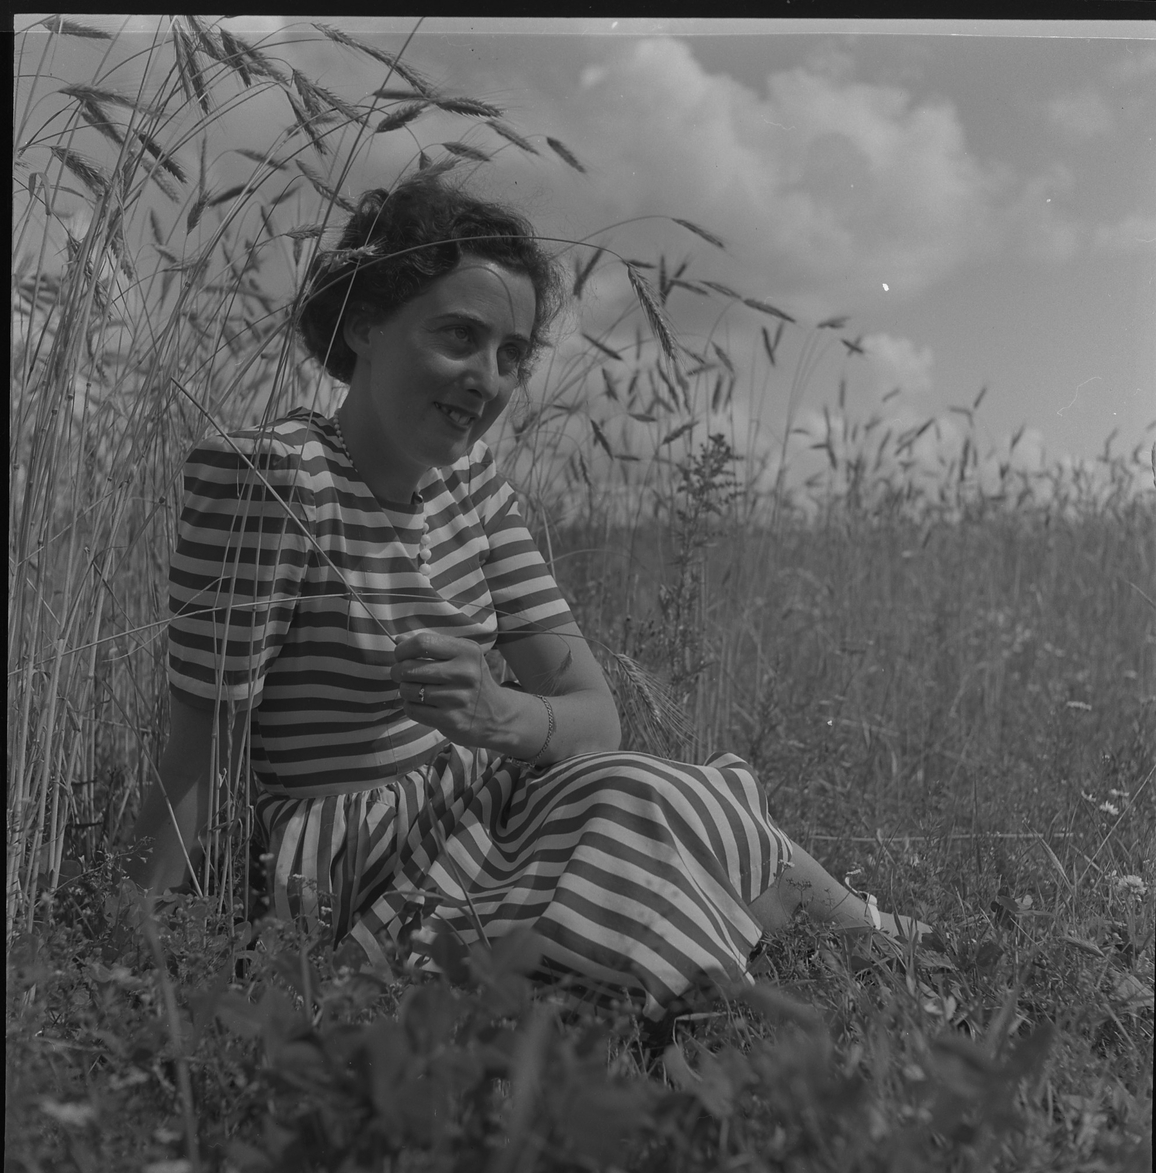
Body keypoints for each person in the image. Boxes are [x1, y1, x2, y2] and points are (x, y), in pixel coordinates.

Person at [126, 171, 928, 1019]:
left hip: (480, 808)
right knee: (634, 810)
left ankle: (879, 952)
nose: (488, 379)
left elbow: (594, 715)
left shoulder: (472, 492)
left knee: (654, 788)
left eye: (510, 355)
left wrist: (494, 716)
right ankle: (806, 989)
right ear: (364, 324)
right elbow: (197, 754)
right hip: (349, 862)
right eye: (459, 338)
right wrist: (124, 965)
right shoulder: (275, 480)